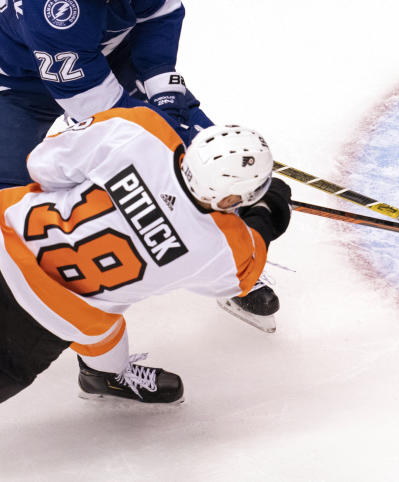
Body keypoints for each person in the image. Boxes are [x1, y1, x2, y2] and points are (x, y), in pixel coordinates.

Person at [0, 0, 278, 319]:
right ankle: (41, 293)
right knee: (13, 191)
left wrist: (165, 91)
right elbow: (103, 116)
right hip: (16, 83)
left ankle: (228, 261)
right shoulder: (50, 9)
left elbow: (161, 12)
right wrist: (162, 136)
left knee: (208, 152)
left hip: (103, 50)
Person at [0, 107, 292, 404]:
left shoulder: (138, 129)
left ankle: (105, 374)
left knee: (104, 328)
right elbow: (243, 276)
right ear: (232, 198)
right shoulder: (223, 248)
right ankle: (106, 376)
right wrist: (268, 209)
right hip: (49, 317)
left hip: (5, 231)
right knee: (99, 322)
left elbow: (43, 164)